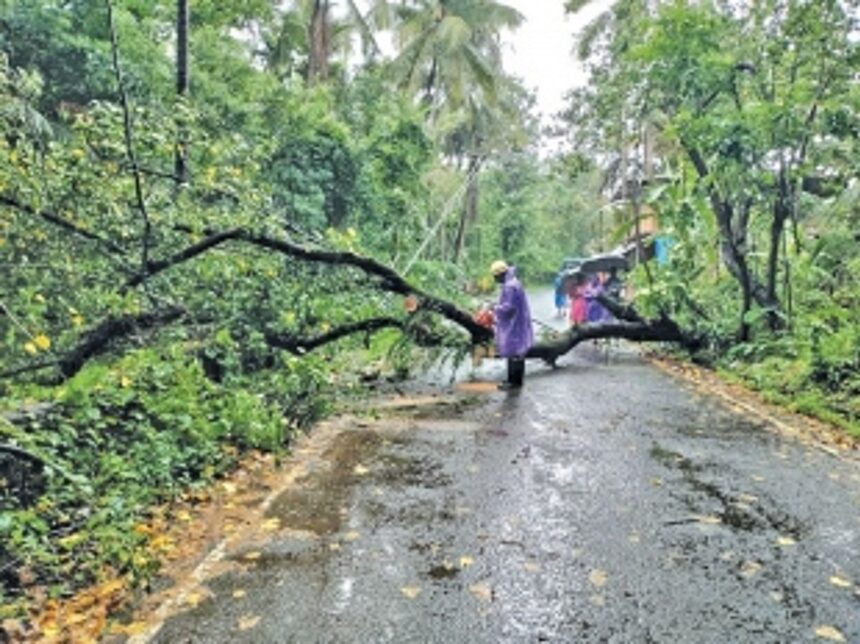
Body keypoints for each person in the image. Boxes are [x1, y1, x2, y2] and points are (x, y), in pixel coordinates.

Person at [490, 260, 533, 389]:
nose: (494, 279)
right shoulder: (515, 283)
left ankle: (513, 382)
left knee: (513, 351)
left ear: (500, 274)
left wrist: (495, 308)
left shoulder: (509, 287)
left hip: (514, 324)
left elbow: (508, 308)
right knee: (517, 352)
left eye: (495, 276)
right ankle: (516, 381)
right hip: (519, 321)